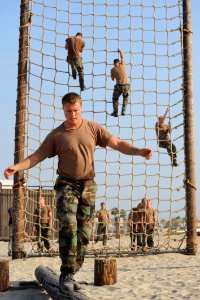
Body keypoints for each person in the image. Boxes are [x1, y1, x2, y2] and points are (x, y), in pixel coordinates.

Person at [4, 92, 153, 292]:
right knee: (68, 223)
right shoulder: (57, 135)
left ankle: (72, 272)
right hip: (66, 183)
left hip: (88, 185)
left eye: (75, 111)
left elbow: (117, 143)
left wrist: (138, 151)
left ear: (80, 109)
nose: (72, 115)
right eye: (68, 111)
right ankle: (65, 272)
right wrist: (17, 167)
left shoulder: (92, 128)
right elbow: (38, 155)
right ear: (63, 110)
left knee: (84, 233)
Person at [110, 48, 130, 117]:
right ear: (119, 62)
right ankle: (123, 111)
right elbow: (122, 57)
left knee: (115, 98)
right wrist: (120, 50)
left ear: (114, 63)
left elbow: (113, 79)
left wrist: (115, 74)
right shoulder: (123, 65)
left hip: (119, 86)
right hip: (126, 86)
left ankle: (115, 112)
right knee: (125, 98)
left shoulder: (112, 69)